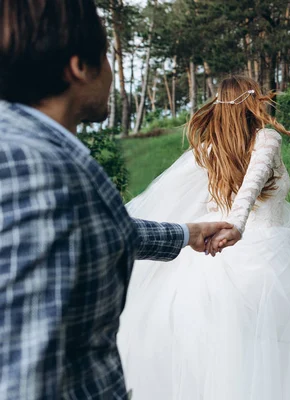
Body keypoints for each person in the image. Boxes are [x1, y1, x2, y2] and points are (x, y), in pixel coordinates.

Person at [0, 1, 231, 399]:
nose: (112, 72)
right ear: (80, 67)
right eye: (106, 57)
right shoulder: (38, 168)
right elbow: (24, 371)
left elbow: (84, 229)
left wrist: (187, 232)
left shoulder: (24, 145)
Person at [117, 76, 290, 400]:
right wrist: (237, 224)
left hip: (209, 261)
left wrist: (219, 226)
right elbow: (251, 185)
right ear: (252, 101)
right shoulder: (266, 139)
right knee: (271, 356)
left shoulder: (209, 149)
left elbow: (222, 196)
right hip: (265, 258)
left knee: (225, 358)